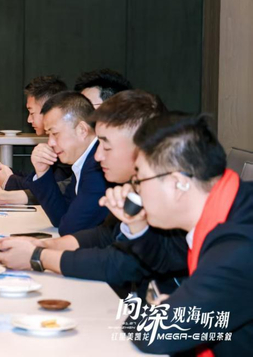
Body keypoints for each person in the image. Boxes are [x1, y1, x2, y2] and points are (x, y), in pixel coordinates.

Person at [0, 91, 185, 298]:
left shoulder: (169, 199)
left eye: (106, 146)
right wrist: (43, 245)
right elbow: (105, 234)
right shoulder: (136, 186)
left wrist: (38, 256)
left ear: (142, 148)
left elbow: (122, 263)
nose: (98, 155)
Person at [102, 113, 253, 356]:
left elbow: (157, 334)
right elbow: (168, 258)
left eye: (139, 179)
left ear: (177, 183)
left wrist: (159, 311)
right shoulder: (231, 204)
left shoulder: (239, 247)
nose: (135, 191)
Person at [23, 91, 109, 234]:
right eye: (48, 134)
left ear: (82, 130)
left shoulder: (98, 166)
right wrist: (42, 171)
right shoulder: (82, 161)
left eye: (55, 133)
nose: (50, 142)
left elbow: (70, 227)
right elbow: (60, 216)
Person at [0, 75, 70, 204]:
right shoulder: (56, 142)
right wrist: (4, 171)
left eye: (32, 113)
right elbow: (34, 179)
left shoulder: (67, 145)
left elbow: (51, 190)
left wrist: (9, 181)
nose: (29, 120)